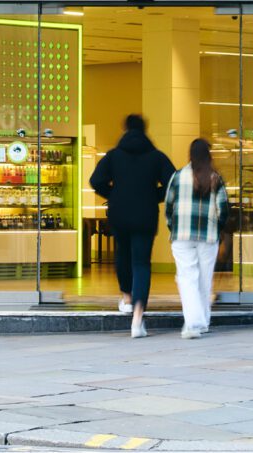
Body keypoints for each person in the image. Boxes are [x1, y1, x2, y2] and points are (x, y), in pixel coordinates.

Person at [90, 114, 175, 338]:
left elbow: (95, 180)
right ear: (145, 130)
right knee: (141, 262)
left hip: (120, 213)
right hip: (145, 214)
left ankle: (127, 298)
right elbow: (173, 182)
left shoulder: (114, 156)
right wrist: (152, 195)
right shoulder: (156, 157)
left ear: (125, 129)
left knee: (122, 254)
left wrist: (115, 194)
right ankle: (137, 319)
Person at [165, 138, 229, 339]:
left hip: (182, 235)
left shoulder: (177, 176)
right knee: (204, 279)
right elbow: (224, 208)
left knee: (187, 278)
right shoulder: (215, 178)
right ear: (208, 155)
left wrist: (172, 227)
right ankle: (203, 322)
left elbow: (168, 206)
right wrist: (217, 229)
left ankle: (192, 323)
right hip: (208, 236)